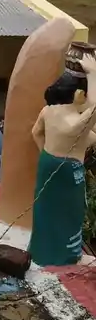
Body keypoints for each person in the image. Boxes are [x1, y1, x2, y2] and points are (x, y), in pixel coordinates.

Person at [28, 57, 96, 266]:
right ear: (78, 94)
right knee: (69, 213)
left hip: (48, 162)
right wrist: (93, 74)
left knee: (45, 210)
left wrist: (45, 155)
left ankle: (41, 251)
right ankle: (66, 256)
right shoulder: (75, 122)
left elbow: (36, 132)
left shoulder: (50, 110)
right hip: (68, 171)